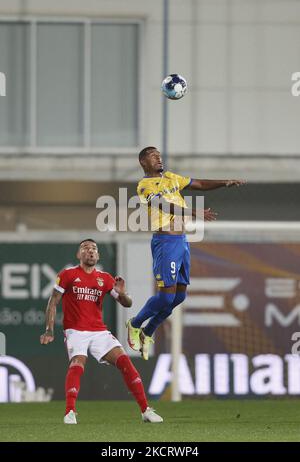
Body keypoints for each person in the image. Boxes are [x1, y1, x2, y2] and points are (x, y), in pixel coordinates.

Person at [127, 146, 245, 360]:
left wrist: (224, 182)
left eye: (159, 155)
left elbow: (198, 183)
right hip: (165, 241)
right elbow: (161, 205)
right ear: (143, 162)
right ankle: (135, 324)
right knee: (165, 297)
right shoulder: (144, 186)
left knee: (179, 296)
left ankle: (147, 331)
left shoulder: (171, 178)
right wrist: (192, 212)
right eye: (153, 156)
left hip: (181, 241)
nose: (158, 158)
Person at [40, 238, 163, 424]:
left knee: (125, 362)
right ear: (78, 254)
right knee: (77, 364)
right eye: (85, 248)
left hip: (99, 331)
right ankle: (70, 412)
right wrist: (49, 330)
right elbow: (53, 301)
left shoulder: (105, 278)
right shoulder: (68, 274)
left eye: (94, 249)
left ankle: (145, 410)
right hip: (76, 331)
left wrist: (122, 293)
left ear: (98, 255)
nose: (90, 251)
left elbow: (127, 303)